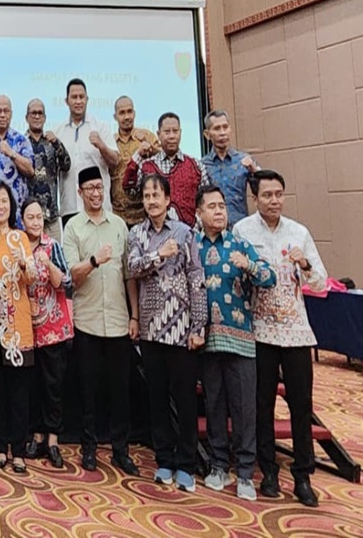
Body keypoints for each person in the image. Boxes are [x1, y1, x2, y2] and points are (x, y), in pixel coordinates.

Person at [233, 169, 328, 507]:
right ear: (254, 198)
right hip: (260, 331)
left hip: (297, 333)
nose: (274, 201)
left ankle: (303, 475)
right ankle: (269, 471)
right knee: (262, 404)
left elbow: (321, 282)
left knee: (301, 405)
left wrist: (306, 266)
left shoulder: (299, 233)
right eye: (267, 195)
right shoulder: (242, 231)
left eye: (278, 194)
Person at [196, 184, 276, 502]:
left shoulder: (240, 245)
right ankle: (218, 466)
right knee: (214, 405)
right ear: (199, 213)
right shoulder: (193, 246)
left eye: (222, 206)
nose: (219, 211)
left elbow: (269, 277)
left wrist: (250, 266)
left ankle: (245, 472)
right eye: (211, 207)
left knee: (244, 408)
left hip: (241, 340)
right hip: (207, 341)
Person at [128, 173, 206, 492]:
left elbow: (196, 280)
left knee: (185, 400)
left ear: (168, 198)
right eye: (147, 196)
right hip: (150, 330)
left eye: (156, 195)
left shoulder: (185, 233)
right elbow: (133, 268)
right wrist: (159, 254)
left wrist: (198, 326)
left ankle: (186, 463)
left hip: (181, 330)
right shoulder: (136, 234)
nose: (151, 201)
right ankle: (164, 460)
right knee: (157, 398)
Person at [61, 166, 139, 477]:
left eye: (99, 187)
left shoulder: (119, 226)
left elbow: (129, 275)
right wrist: (94, 261)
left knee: (121, 391)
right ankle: (89, 448)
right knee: (88, 390)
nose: (95, 193)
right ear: (79, 193)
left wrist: (134, 315)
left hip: (119, 320)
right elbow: (72, 276)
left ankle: (121, 450)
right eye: (90, 188)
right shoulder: (73, 228)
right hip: (87, 321)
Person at [0, 181, 36, 474]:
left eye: (5, 201)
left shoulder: (20, 238)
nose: (1, 206)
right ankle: (1, 448)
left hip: (17, 325)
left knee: (19, 394)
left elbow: (32, 278)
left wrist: (24, 265)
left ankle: (19, 450)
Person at [20, 198, 73, 469]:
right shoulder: (18, 247)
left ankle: (53, 439)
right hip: (26, 329)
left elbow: (65, 283)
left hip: (53, 328)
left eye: (39, 217)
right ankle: (36, 434)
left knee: (53, 385)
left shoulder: (52, 246)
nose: (36, 222)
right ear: (22, 220)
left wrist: (48, 263)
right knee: (32, 385)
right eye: (30, 217)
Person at [123, 112, 210, 229]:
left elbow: (206, 200)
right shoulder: (146, 166)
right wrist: (137, 155)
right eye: (167, 132)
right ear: (158, 134)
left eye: (175, 131)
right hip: (155, 234)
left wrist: (196, 227)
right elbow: (129, 190)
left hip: (190, 233)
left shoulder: (196, 166)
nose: (171, 136)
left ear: (180, 133)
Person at [54, 79, 119, 223]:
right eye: (74, 97)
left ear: (87, 99)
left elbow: (115, 161)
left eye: (81, 97)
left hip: (98, 206)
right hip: (70, 208)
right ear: (66, 101)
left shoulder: (100, 127)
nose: (78, 101)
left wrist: (101, 145)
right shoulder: (58, 131)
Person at [24, 99, 71, 242]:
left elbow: (66, 165)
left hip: (51, 216)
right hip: (29, 217)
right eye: (33, 113)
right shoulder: (21, 143)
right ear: (27, 118)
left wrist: (57, 143)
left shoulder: (52, 142)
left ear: (45, 118)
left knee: (54, 253)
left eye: (40, 113)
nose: (37, 116)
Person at [201, 110, 259, 226]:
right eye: (217, 128)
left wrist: (254, 171)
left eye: (225, 127)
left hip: (241, 227)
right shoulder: (202, 165)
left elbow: (262, 189)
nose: (222, 133)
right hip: (214, 228)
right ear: (207, 134)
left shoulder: (244, 160)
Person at [0, 95, 35, 212]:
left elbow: (30, 171)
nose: (2, 115)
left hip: (17, 211)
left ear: (11, 114)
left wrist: (12, 154)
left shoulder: (22, 140)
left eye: (6, 111)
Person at [112, 96, 159, 226]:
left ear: (134, 113)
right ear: (115, 117)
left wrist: (151, 147)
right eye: (122, 113)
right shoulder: (111, 142)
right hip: (118, 215)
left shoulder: (146, 136)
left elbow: (164, 158)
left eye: (129, 111)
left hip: (145, 215)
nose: (127, 116)